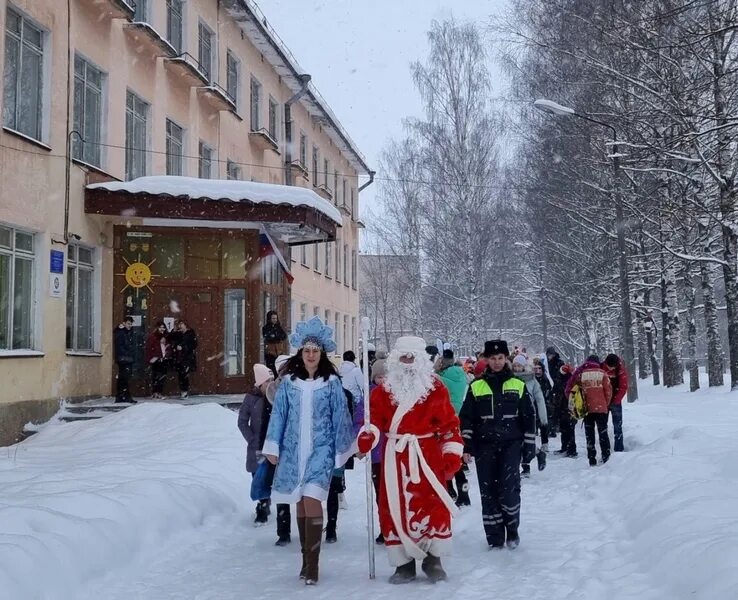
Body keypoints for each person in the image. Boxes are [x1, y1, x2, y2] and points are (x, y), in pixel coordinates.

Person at [358, 336, 463, 584]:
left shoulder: (436, 389)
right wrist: (367, 435)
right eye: (403, 356)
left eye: (412, 357)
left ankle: (433, 558)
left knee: (433, 505)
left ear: (421, 361)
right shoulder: (383, 391)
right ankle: (403, 564)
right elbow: (373, 422)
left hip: (427, 454)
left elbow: (449, 424)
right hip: (395, 456)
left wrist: (451, 452)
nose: (407, 362)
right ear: (395, 359)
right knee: (394, 505)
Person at [262, 317, 354, 586]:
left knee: (313, 498)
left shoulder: (332, 383)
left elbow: (341, 416)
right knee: (301, 503)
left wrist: (344, 448)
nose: (311, 355)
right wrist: (273, 445)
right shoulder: (289, 383)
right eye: (306, 350)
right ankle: (305, 558)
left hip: (321, 451)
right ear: (300, 354)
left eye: (315, 350)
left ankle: (312, 564)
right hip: (293, 450)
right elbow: (278, 415)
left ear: (321, 353)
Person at [460, 340, 536, 550]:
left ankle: (512, 529)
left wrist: (529, 445)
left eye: (500, 358)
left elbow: (529, 417)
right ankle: (494, 537)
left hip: (511, 445)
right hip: (485, 447)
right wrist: (466, 446)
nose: (496, 362)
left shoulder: (518, 385)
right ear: (486, 360)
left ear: (506, 359)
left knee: (509, 489)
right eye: (492, 358)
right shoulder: (476, 386)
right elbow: (466, 418)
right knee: (489, 492)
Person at [238, 364, 275, 525]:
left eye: (271, 380)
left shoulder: (274, 396)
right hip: (257, 446)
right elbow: (242, 421)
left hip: (272, 445)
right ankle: (262, 505)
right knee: (258, 476)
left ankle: (265, 503)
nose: (270, 384)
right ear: (260, 383)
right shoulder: (251, 399)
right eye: (267, 381)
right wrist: (251, 438)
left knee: (269, 475)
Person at [435, 348, 471, 506]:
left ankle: (449, 490)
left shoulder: (440, 378)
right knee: (457, 454)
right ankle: (464, 492)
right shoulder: (461, 375)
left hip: (445, 417)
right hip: (459, 416)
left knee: (445, 454)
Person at [266, 354, 294, 546]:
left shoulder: (300, 385)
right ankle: (283, 531)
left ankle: (299, 530)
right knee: (281, 489)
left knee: (298, 491)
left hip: (294, 443)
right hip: (280, 445)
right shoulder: (275, 388)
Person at [565, 355, 613, 466]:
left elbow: (573, 390)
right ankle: (606, 456)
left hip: (587, 409)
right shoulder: (603, 374)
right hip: (601, 408)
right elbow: (608, 391)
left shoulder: (581, 375)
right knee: (603, 433)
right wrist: (605, 403)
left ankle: (592, 458)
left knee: (589, 434)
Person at [512, 355, 548, 474]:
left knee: (527, 441)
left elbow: (539, 399)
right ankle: (525, 466)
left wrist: (543, 417)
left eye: (519, 365)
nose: (516, 368)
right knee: (516, 441)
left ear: (523, 366)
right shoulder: (509, 378)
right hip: (513, 414)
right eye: (515, 365)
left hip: (528, 414)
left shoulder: (531, 380)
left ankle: (535, 457)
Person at [602, 353, 628, 452]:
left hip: (615, 402)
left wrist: (615, 400)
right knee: (603, 426)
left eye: (613, 367)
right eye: (610, 367)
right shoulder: (601, 368)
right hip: (603, 402)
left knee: (617, 426)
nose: (611, 369)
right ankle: (605, 450)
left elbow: (623, 387)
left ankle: (619, 449)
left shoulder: (620, 370)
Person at [171, 319, 197, 398]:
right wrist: (174, 330)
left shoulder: (190, 334)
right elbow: (171, 338)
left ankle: (185, 391)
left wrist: (183, 348)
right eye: (179, 324)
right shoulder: (178, 333)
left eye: (181, 324)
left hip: (187, 357)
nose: (180, 326)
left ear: (186, 325)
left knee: (184, 374)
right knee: (181, 374)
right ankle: (183, 390)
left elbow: (194, 345)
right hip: (179, 357)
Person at [145, 321, 171, 398]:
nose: (162, 329)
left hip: (164, 358)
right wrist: (151, 358)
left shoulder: (166, 336)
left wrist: (167, 353)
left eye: (163, 327)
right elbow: (149, 348)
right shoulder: (153, 337)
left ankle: (159, 392)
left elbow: (169, 347)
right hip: (156, 358)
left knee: (162, 376)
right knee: (156, 376)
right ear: (157, 328)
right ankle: (155, 392)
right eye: (160, 327)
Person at [113, 316, 136, 404]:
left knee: (124, 378)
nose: (130, 326)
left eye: (131, 324)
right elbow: (121, 346)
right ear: (124, 323)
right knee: (124, 378)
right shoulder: (121, 332)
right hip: (124, 359)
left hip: (125, 358)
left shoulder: (126, 332)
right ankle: (123, 396)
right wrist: (129, 351)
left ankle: (122, 396)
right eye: (128, 324)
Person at [556, 363, 577, 456]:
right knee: (568, 429)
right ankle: (568, 448)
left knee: (566, 429)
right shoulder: (572, 380)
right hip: (568, 407)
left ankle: (569, 448)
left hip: (565, 407)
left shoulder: (563, 380)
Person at [262, 311, 288, 376]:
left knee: (280, 370)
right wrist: (276, 337)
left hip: (279, 352)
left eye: (276, 318)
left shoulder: (278, 327)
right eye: (273, 318)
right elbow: (268, 337)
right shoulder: (266, 328)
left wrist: (275, 336)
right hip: (270, 353)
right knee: (272, 371)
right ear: (269, 319)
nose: (275, 320)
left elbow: (284, 336)